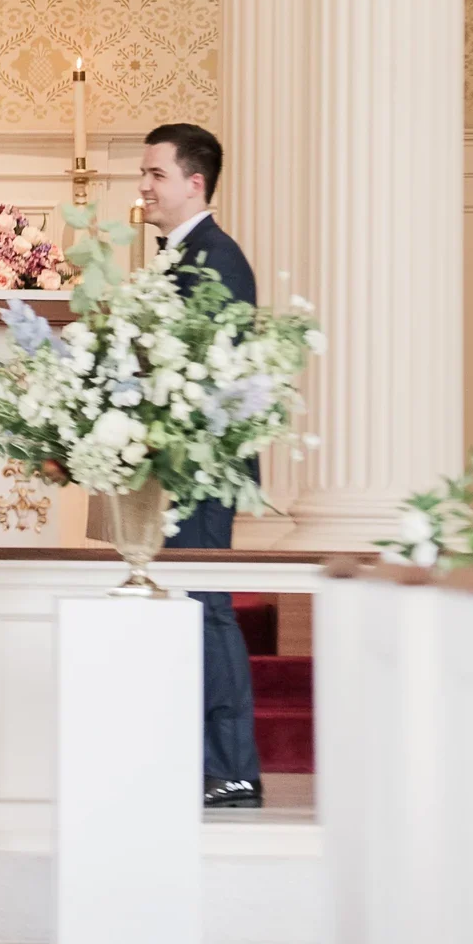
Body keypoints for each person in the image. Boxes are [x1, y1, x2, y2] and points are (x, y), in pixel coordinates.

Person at [139, 122, 264, 810]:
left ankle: (233, 766)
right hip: (176, 462)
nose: (144, 186)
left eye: (156, 174)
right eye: (145, 173)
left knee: (208, 609)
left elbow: (211, 372)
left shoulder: (218, 257)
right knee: (188, 609)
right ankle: (201, 758)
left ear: (195, 183)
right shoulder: (178, 256)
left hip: (205, 464)